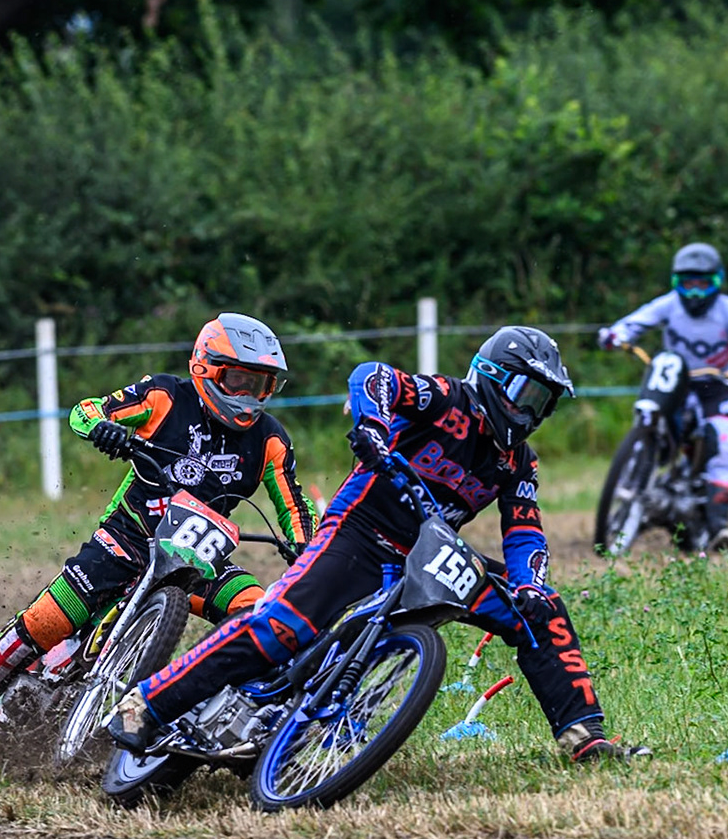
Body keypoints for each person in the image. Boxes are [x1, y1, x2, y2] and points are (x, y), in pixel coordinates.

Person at [107, 326, 649, 763]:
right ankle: (146, 703)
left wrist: (530, 584)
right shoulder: (448, 399)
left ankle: (584, 737)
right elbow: (375, 376)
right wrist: (371, 425)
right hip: (358, 531)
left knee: (543, 611)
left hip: (429, 551)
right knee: (282, 628)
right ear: (492, 378)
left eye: (544, 403)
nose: (531, 413)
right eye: (526, 395)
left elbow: (525, 527)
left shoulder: (517, 461)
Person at [0, 312, 315, 719]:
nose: (249, 396)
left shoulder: (271, 440)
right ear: (206, 366)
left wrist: (306, 549)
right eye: (240, 381)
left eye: (261, 385)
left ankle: (209, 707)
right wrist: (102, 428)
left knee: (255, 607)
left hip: (201, 558)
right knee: (50, 618)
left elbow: (294, 507)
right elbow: (85, 411)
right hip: (129, 537)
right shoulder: (164, 396)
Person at [598, 242, 728, 552]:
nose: (694, 293)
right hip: (675, 380)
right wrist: (615, 335)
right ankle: (640, 471)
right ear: (677, 283)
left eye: (703, 284)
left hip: (718, 385)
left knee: (724, 438)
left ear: (716, 282)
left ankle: (718, 525)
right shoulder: (669, 304)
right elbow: (637, 321)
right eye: (687, 284)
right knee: (652, 417)